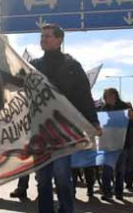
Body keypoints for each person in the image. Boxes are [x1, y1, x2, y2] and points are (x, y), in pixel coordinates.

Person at [29, 24, 101, 213]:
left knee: (62, 176)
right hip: (40, 131)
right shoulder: (34, 66)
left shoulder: (72, 65)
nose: (43, 39)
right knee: (42, 179)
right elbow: (19, 85)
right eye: (42, 36)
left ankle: (66, 210)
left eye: (48, 36)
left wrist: (93, 121)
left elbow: (84, 96)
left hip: (63, 130)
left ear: (59, 40)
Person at [100, 87, 132, 201]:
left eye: (108, 96)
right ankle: (107, 192)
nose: (106, 98)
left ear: (114, 95)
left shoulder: (124, 107)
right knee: (107, 171)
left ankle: (119, 193)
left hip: (122, 144)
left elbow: (132, 123)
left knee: (120, 171)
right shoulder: (104, 109)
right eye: (105, 96)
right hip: (108, 144)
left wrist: (130, 115)